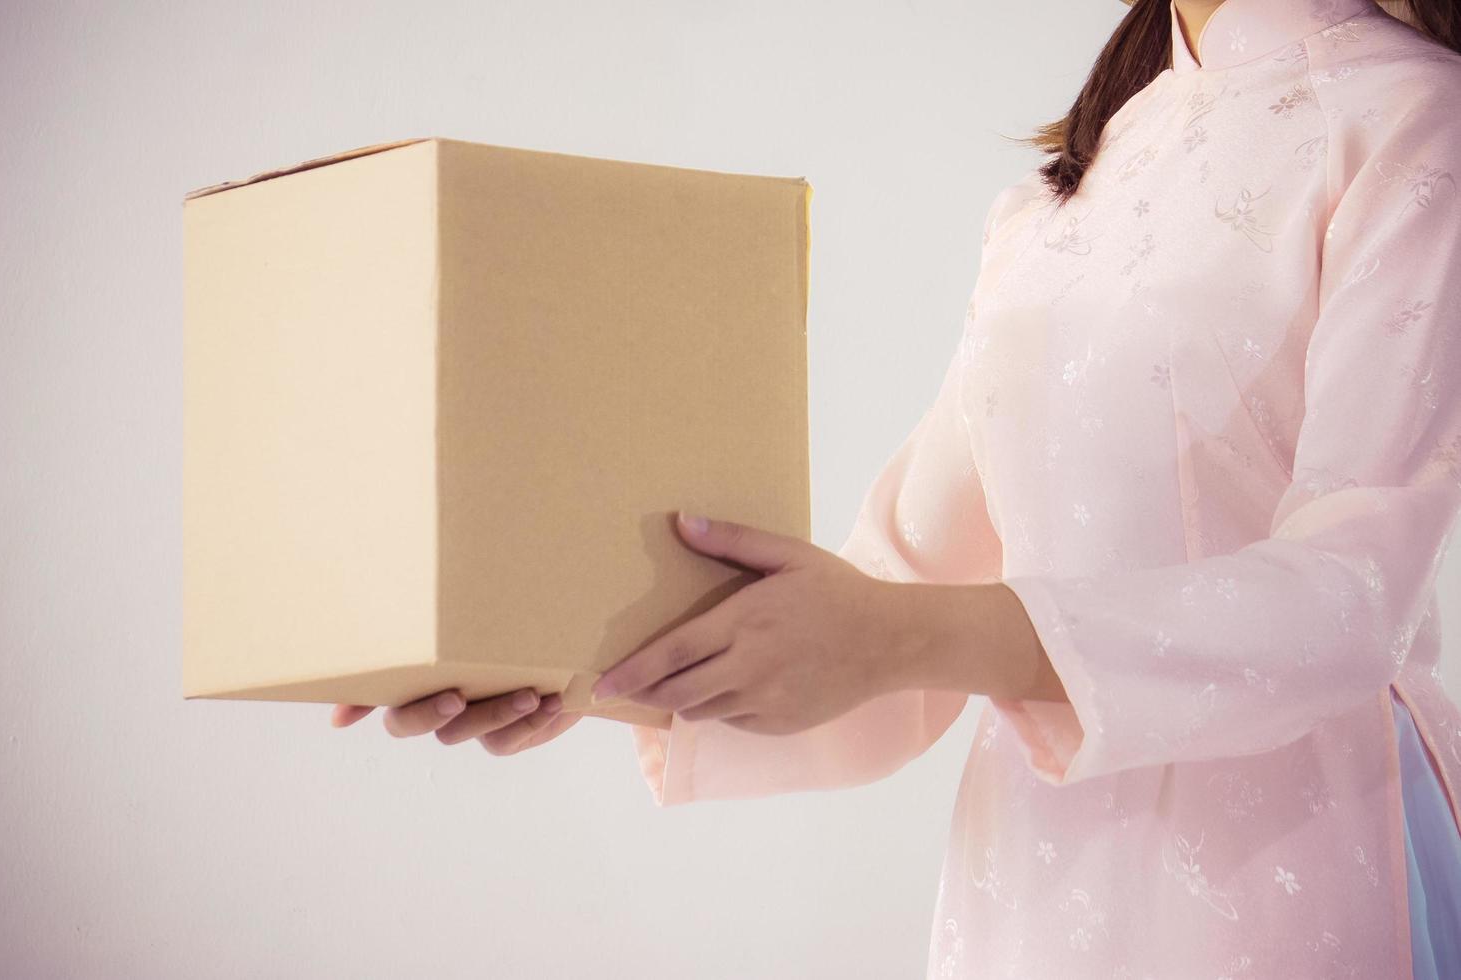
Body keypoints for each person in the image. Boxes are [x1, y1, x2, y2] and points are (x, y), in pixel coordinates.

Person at [332, 0, 1461, 974]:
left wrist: (900, 630)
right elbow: (897, 594)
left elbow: (1350, 594)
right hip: (1030, 880)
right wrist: (564, 660)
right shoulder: (1070, 183)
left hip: (1291, 868)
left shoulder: (1412, 118)